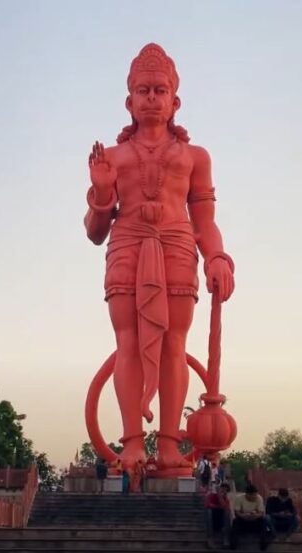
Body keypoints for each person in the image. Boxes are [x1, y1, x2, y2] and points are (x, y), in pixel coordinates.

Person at [83, 43, 236, 477]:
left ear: (175, 101)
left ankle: (169, 446)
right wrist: (101, 192)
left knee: (174, 345)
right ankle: (132, 444)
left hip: (176, 245)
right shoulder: (110, 158)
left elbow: (204, 220)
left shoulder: (195, 157)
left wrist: (217, 257)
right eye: (143, 90)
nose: (151, 97)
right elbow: (95, 232)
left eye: (159, 90)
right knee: (127, 342)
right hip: (127, 244)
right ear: (129, 101)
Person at [230, 484, 270, 551]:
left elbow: (261, 512)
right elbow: (236, 512)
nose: (254, 497)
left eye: (255, 495)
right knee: (235, 521)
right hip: (243, 520)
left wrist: (255, 516)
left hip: (254, 520)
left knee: (263, 521)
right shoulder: (239, 498)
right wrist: (243, 516)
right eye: (252, 495)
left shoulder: (259, 498)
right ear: (247, 494)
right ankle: (233, 545)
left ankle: (263, 545)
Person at [204, 482, 232, 547]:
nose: (223, 491)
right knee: (208, 511)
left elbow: (225, 507)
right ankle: (210, 538)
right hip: (211, 520)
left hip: (220, 522)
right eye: (222, 488)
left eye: (225, 490)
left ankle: (226, 538)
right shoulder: (211, 495)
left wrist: (220, 498)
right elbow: (207, 505)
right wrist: (218, 506)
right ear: (219, 489)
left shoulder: (226, 499)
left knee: (227, 513)